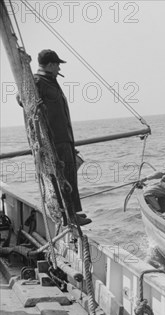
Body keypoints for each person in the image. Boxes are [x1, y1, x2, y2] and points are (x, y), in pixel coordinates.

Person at [34, 49, 90, 226]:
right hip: (53, 141)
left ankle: (72, 213)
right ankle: (66, 216)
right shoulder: (38, 81)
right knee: (60, 177)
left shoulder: (51, 81)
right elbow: (22, 97)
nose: (59, 68)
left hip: (64, 139)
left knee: (69, 175)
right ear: (50, 65)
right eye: (57, 64)